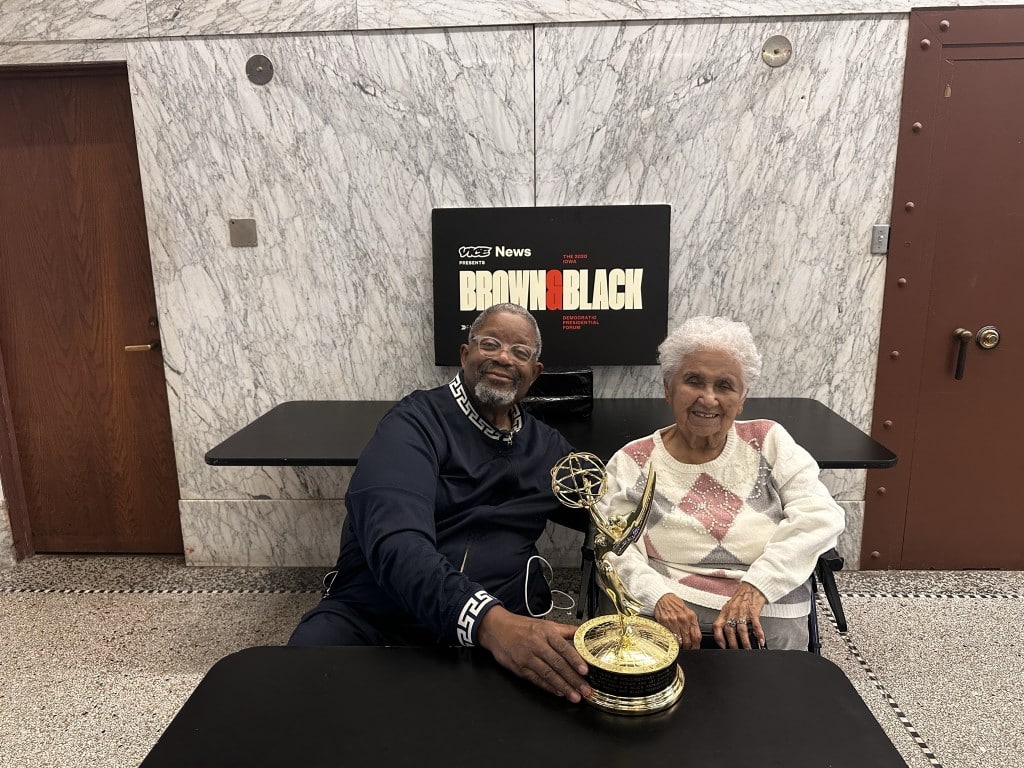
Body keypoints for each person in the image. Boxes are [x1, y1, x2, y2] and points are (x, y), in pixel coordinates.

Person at [289, 303, 592, 702]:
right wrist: (488, 621)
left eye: (521, 352)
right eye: (491, 344)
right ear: (466, 355)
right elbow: (397, 546)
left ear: (533, 374)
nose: (504, 357)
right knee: (296, 690)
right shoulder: (412, 425)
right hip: (383, 618)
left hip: (503, 627)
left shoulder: (545, 445)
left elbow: (609, 507)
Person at [601, 316, 845, 650]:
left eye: (725, 386)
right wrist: (658, 596)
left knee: (779, 685)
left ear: (742, 397)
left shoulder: (767, 440)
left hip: (766, 596)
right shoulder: (634, 460)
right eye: (694, 381)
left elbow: (820, 515)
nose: (709, 398)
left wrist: (757, 587)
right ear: (668, 389)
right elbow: (614, 544)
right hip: (670, 595)